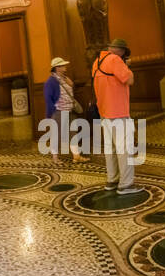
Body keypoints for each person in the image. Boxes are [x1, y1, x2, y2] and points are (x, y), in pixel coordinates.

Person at [92, 38, 141, 195]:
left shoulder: (96, 62)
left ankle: (112, 180)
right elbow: (130, 80)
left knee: (110, 148)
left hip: (104, 112)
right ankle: (126, 184)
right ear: (121, 51)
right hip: (118, 112)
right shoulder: (115, 60)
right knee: (124, 148)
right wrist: (127, 67)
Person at [42, 57, 88, 164]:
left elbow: (69, 92)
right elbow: (48, 99)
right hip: (59, 111)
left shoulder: (64, 78)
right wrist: (49, 114)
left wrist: (71, 85)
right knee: (57, 135)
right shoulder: (51, 81)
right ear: (57, 68)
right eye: (62, 66)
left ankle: (76, 156)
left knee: (73, 133)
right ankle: (55, 158)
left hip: (70, 110)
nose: (65, 67)